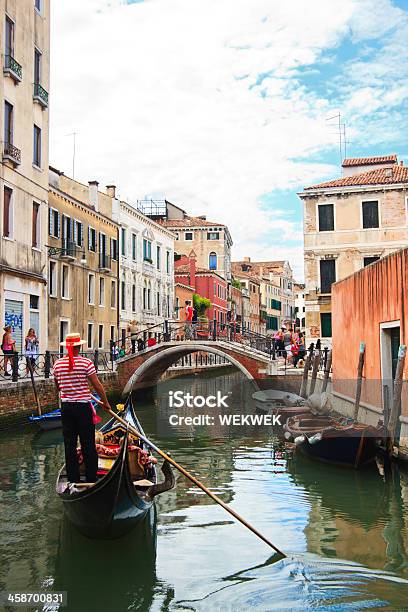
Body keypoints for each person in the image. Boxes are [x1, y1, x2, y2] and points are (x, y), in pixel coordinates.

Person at [53, 333, 111, 484]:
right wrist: (106, 403)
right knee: (88, 444)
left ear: (67, 348)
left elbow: (58, 386)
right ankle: (91, 478)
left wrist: (69, 389)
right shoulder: (86, 363)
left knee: (69, 445)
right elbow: (97, 385)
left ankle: (73, 479)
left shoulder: (57, 364)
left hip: (66, 408)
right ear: (79, 346)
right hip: (83, 408)